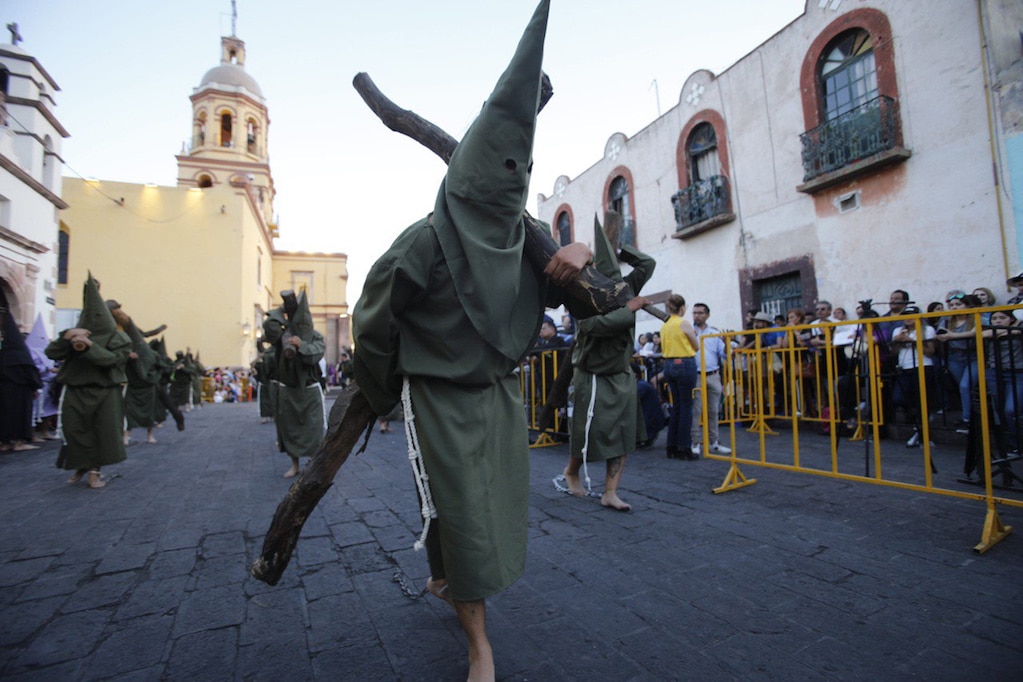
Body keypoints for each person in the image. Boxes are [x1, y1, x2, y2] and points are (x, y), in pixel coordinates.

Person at [352, 5, 592, 677]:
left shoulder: (525, 243)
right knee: (461, 514)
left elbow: (584, 293)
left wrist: (582, 249)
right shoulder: (421, 242)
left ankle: (446, 579)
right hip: (434, 400)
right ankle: (479, 646)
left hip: (499, 399)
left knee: (485, 511)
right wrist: (379, 393)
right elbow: (372, 322)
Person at [561, 213, 655, 511]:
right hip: (592, 375)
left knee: (624, 433)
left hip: (621, 374)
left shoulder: (626, 287)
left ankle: (610, 492)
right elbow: (592, 327)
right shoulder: (581, 295)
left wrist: (620, 248)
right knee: (589, 430)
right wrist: (629, 309)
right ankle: (572, 471)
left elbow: (647, 264)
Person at [46, 274, 131, 488]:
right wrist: (67, 337)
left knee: (101, 431)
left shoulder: (118, 339)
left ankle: (94, 470)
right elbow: (51, 352)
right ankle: (80, 464)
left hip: (105, 391)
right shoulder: (73, 334)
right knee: (74, 430)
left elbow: (111, 360)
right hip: (76, 389)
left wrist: (90, 346)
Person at [272, 291, 326, 478]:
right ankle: (294, 465)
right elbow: (269, 327)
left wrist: (301, 344)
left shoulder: (316, 337)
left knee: (313, 429)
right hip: (288, 390)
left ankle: (315, 465)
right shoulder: (283, 333)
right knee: (290, 429)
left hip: (309, 392)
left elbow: (315, 354)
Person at [891, 305, 938, 447]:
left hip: (922, 365)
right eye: (905, 315)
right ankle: (917, 424)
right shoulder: (898, 330)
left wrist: (913, 342)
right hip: (904, 367)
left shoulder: (927, 330)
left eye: (912, 315)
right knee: (899, 397)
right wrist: (897, 341)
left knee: (921, 400)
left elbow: (930, 352)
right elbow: (893, 353)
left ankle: (922, 431)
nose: (908, 318)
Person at [659, 294, 699, 460]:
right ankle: (684, 447)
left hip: (669, 365)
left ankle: (671, 445)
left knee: (676, 406)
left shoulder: (665, 325)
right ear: (682, 307)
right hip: (684, 363)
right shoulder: (683, 323)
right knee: (686, 407)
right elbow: (695, 346)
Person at [0, 302, 43, 452]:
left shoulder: (4, 353)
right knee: (20, 415)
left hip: (4, 390)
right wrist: (35, 386)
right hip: (20, 392)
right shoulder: (21, 354)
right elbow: (29, 372)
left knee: (4, 415)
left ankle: (5, 443)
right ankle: (19, 442)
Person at [690, 302, 731, 457]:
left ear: (707, 315)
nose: (697, 316)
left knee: (714, 410)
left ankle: (714, 442)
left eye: (700, 313)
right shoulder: (690, 331)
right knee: (696, 411)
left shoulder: (714, 333)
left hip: (713, 375)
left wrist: (727, 343)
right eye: (694, 313)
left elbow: (725, 354)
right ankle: (695, 442)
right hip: (697, 375)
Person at [937, 292, 980, 432]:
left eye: (959, 304)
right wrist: (946, 336)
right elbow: (941, 335)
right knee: (963, 388)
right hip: (954, 357)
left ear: (967, 305)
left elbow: (975, 332)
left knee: (965, 386)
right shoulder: (947, 319)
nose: (955, 307)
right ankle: (971, 416)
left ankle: (967, 419)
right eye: (952, 305)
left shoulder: (975, 317)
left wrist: (952, 336)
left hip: (973, 356)